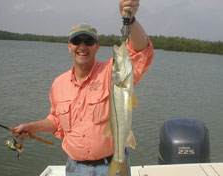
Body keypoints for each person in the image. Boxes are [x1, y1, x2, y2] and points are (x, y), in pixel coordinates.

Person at [13, 0, 154, 175]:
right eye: (76, 40)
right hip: (75, 169)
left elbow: (141, 51)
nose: (82, 46)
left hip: (109, 165)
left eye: (88, 41)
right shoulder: (59, 84)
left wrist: (130, 19)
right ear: (69, 46)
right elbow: (56, 120)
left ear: (96, 46)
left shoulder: (112, 71)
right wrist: (31, 127)